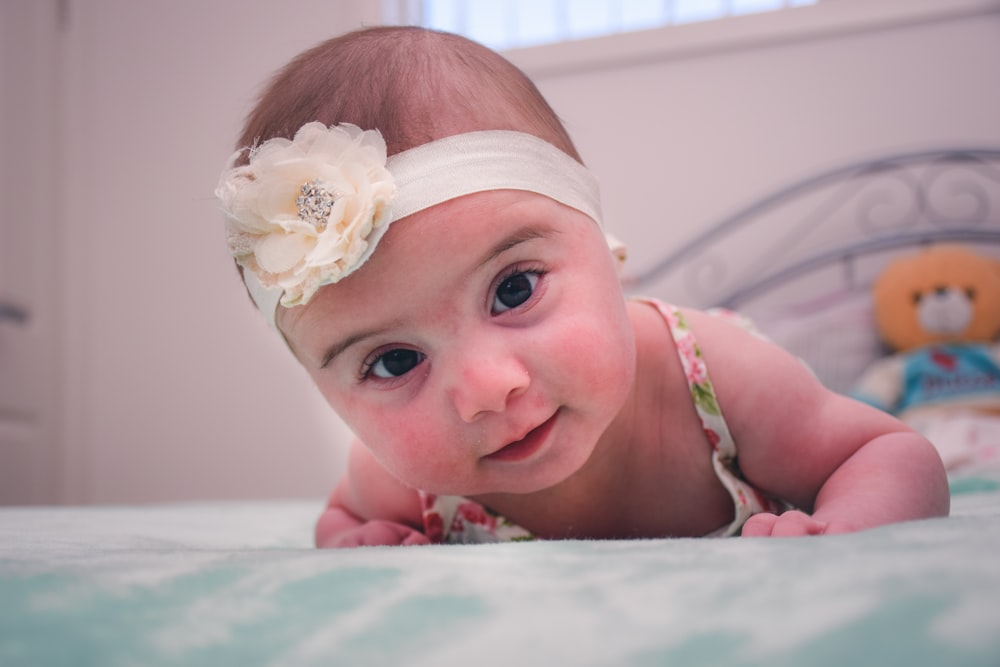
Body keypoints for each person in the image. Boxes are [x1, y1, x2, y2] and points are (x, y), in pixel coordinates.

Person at [215, 26, 949, 548]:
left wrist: (844, 535)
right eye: (394, 361)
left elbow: (889, 455)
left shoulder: (715, 376)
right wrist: (358, 539)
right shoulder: (397, 480)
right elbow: (339, 518)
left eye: (513, 291)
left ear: (604, 243)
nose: (486, 388)